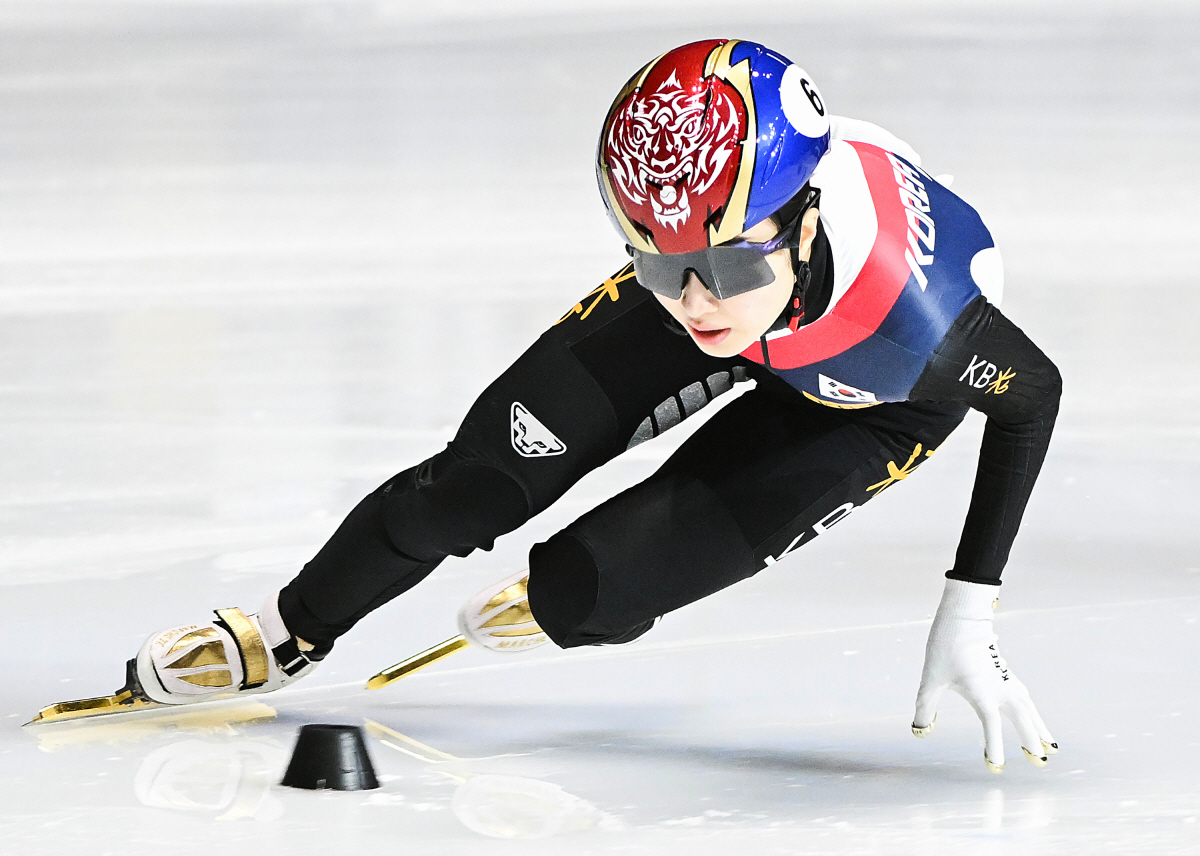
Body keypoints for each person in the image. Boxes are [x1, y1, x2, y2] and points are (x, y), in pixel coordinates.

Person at [121, 40, 1061, 773]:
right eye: (656, 262)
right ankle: (290, 628)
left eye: (725, 264)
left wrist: (968, 612)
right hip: (791, 304)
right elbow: (700, 272)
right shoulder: (709, 254)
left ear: (805, 217)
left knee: (593, 590)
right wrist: (700, 270)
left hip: (866, 399)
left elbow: (1035, 398)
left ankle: (574, 591)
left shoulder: (925, 324)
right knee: (471, 486)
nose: (695, 301)